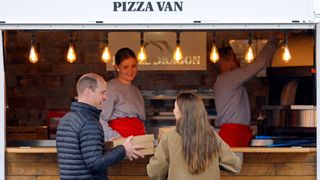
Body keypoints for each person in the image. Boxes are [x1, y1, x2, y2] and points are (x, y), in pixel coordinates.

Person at [56, 73, 143, 180]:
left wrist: (110, 147)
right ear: (88, 92)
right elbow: (95, 163)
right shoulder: (89, 122)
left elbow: (83, 156)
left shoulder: (65, 120)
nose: (106, 97)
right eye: (102, 92)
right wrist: (123, 149)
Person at [147, 92, 242, 180]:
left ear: (182, 112)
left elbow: (154, 172)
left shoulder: (168, 137)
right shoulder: (213, 137)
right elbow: (235, 166)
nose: (173, 110)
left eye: (175, 107)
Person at [214, 36, 279, 147]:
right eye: (234, 58)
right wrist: (274, 40)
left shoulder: (222, 80)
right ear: (224, 62)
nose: (238, 61)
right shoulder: (230, 77)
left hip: (233, 133)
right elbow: (259, 63)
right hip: (233, 134)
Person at [100, 47, 146, 141]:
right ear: (117, 67)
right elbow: (101, 119)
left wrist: (146, 139)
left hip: (139, 139)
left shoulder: (136, 90)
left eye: (133, 66)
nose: (130, 70)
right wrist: (117, 138)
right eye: (125, 67)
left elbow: (141, 121)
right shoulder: (109, 88)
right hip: (121, 140)